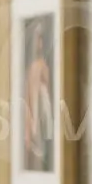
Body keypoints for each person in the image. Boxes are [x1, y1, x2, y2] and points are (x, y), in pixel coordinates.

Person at [23, 19, 55, 171]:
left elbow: (47, 87)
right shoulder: (32, 67)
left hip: (42, 105)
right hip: (33, 105)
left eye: (40, 41)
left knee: (42, 138)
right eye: (36, 41)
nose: (38, 44)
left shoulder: (43, 65)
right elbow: (29, 91)